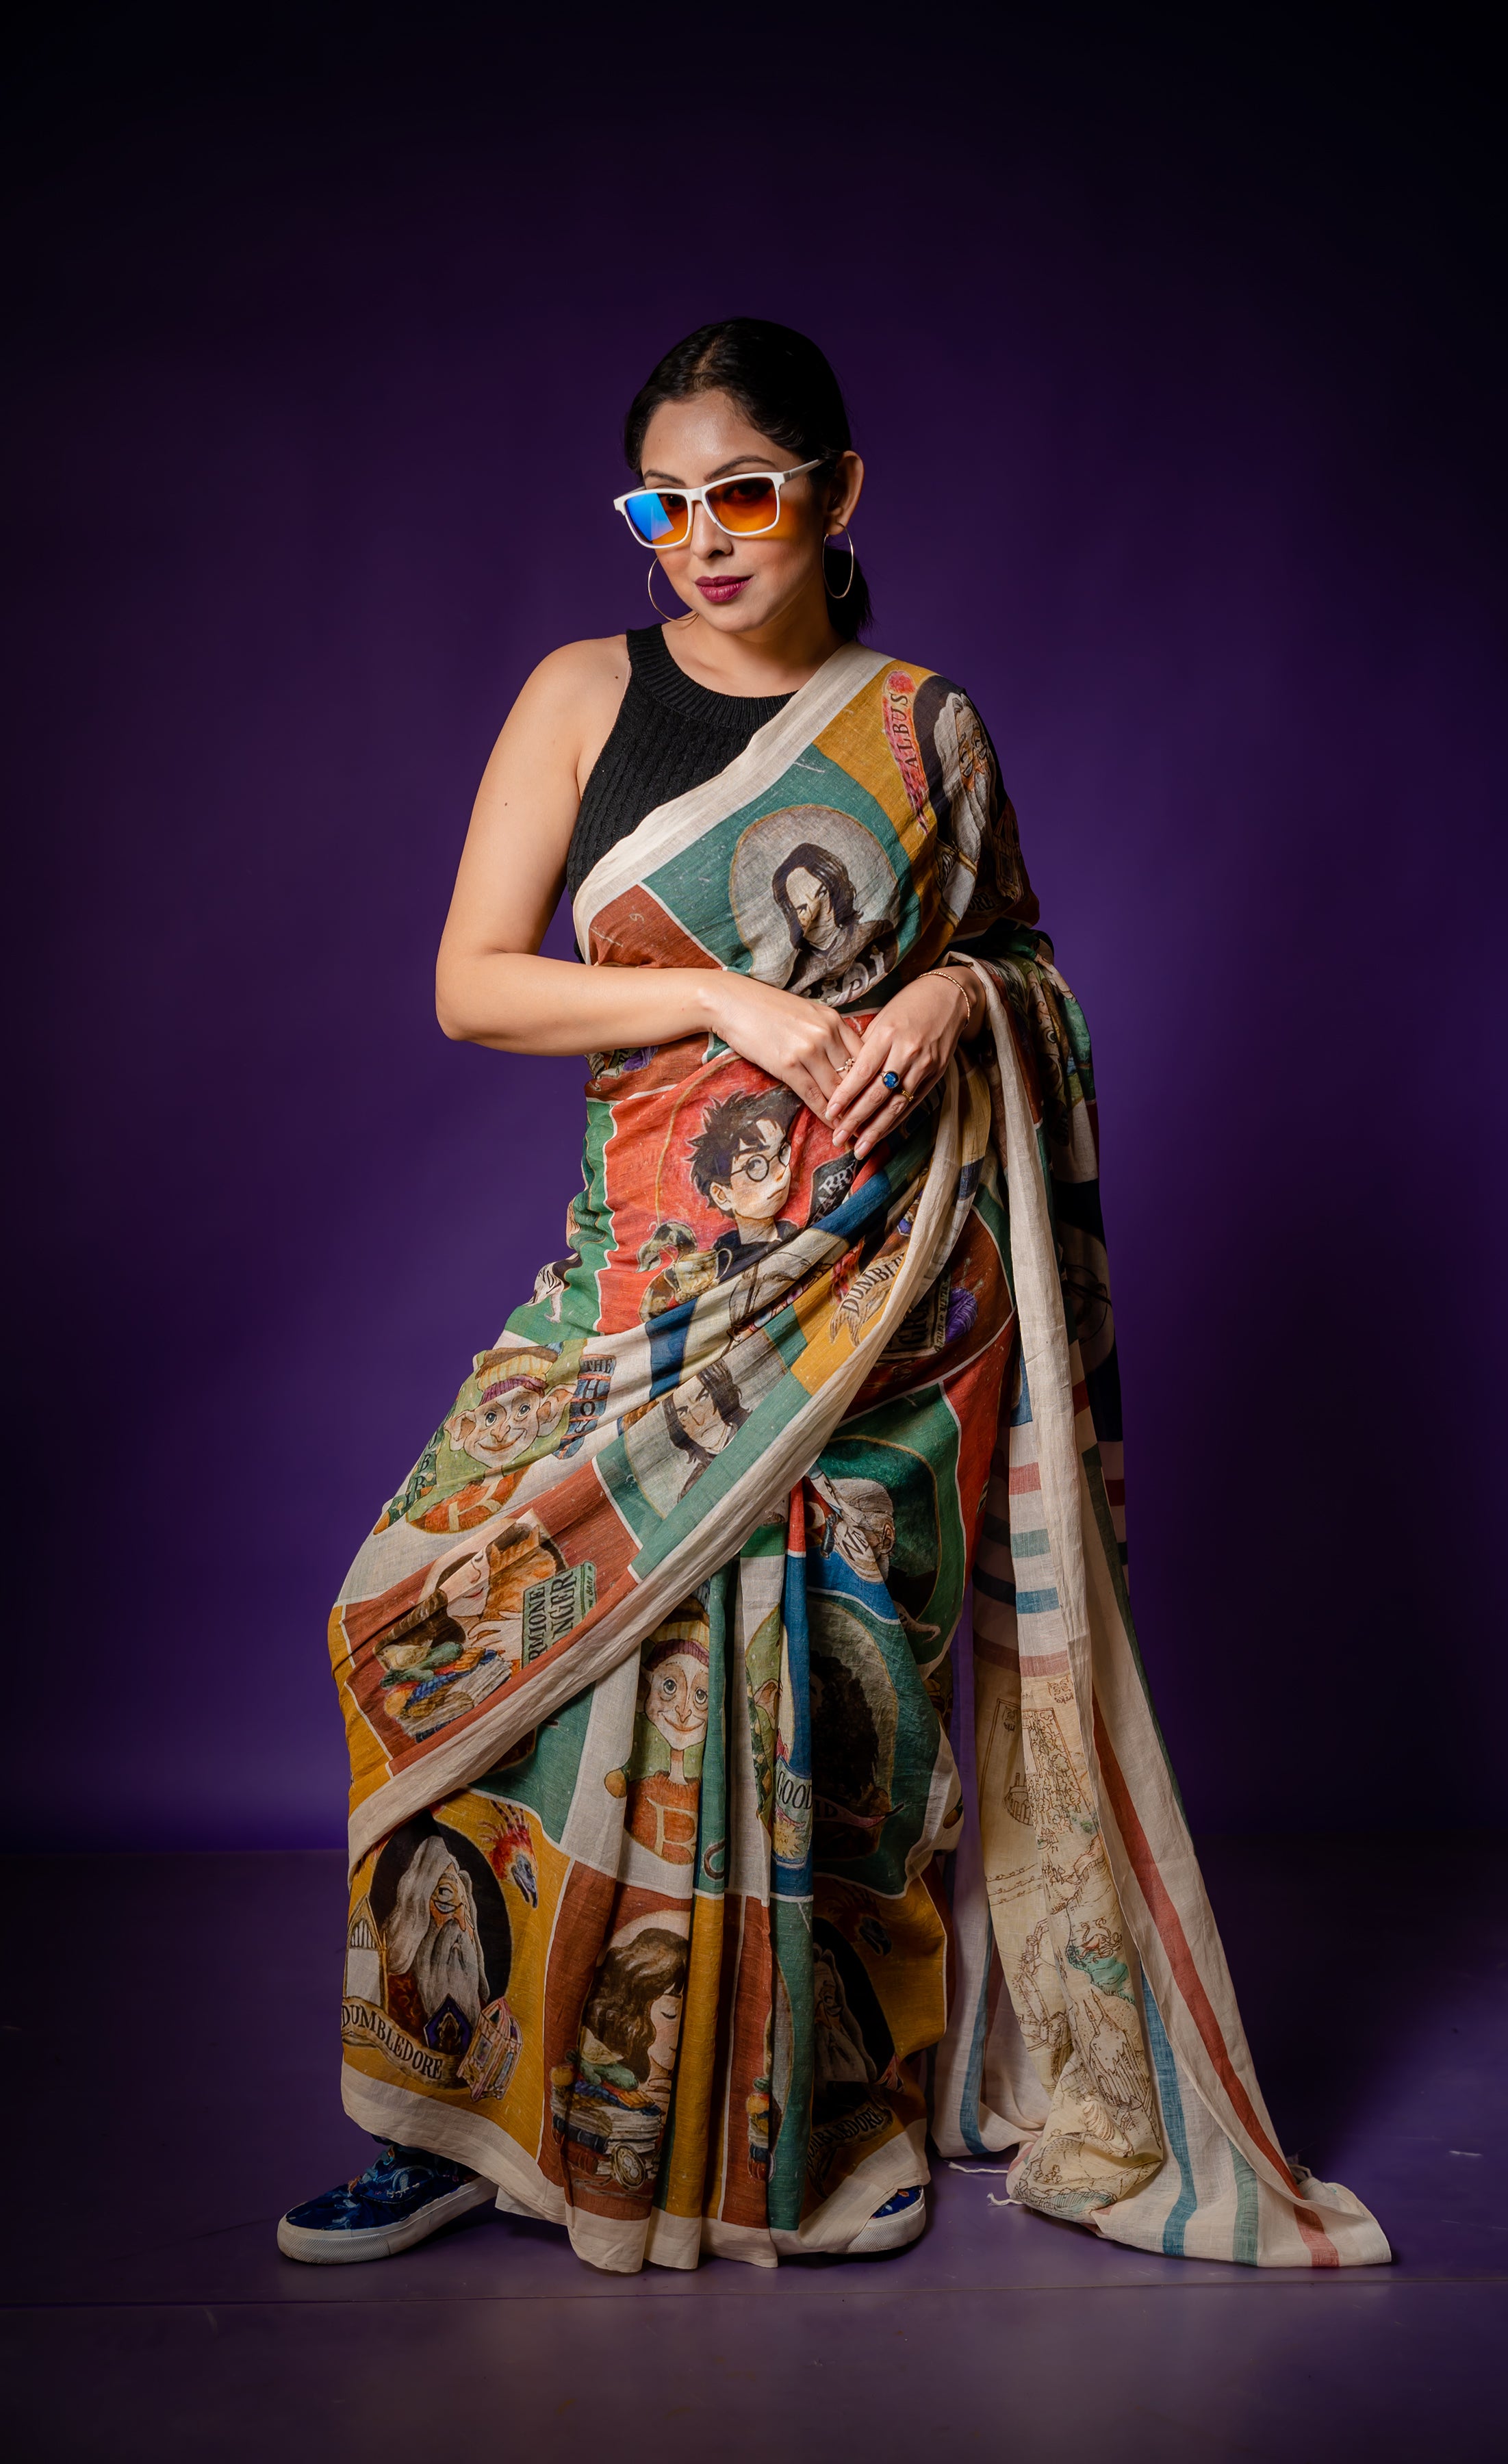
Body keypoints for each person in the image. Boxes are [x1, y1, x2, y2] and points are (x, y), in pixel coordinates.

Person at [279, 318, 1388, 2279]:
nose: (702, 540)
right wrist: (721, 997)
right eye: (662, 506)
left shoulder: (925, 730)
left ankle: (801, 2127)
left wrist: (955, 991)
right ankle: (452, 2121)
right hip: (639, 1298)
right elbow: (472, 982)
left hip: (881, 1303)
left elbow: (1025, 964)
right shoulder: (581, 693)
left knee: (827, 1723)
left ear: (837, 493)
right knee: (433, 1611)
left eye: (745, 494)